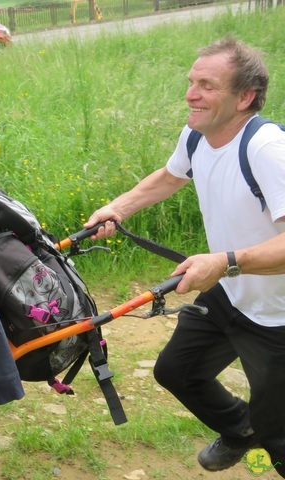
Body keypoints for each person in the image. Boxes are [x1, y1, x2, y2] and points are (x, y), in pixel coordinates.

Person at [85, 36, 285, 476]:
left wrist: (224, 261)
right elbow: (170, 176)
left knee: (278, 434)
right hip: (230, 293)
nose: (191, 94)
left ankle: (263, 435)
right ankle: (239, 432)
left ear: (244, 97)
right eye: (191, 81)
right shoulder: (197, 136)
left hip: (278, 317)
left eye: (207, 85)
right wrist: (118, 208)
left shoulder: (266, 149)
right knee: (178, 370)